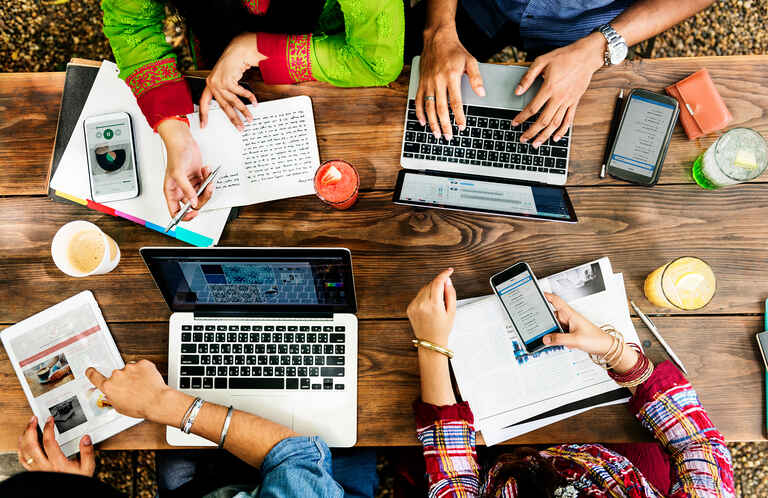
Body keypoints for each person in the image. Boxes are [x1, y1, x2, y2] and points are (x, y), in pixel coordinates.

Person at [407, 268, 735, 497]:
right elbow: (700, 444)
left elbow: (453, 477)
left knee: (405, 460)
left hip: (504, 470)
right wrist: (613, 349)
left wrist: (430, 344)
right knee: (650, 455)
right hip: (613, 468)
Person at [100, 0, 405, 223]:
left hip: (328, 59)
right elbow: (132, 27)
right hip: (216, 58)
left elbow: (374, 60)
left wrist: (255, 49)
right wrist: (175, 132)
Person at [5, 360, 377, 497]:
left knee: (174, 464)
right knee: (348, 437)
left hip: (211, 490)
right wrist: (162, 404)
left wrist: (70, 486)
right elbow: (295, 457)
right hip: (331, 485)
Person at [409, 0, 714, 147]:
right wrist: (438, 29)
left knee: (547, 138)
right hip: (474, 5)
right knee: (408, 89)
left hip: (580, 32)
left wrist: (597, 49)